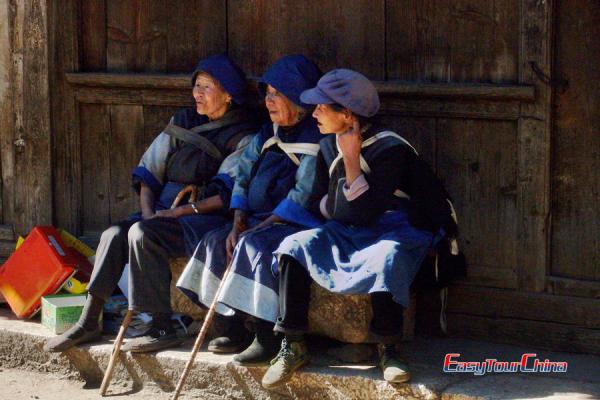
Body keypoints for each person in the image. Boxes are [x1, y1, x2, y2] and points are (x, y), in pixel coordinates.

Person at [44, 54, 259, 353]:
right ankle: (89, 319)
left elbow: (225, 195)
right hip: (161, 212)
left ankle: (161, 326)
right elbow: (150, 171)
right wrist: (149, 212)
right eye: (196, 85)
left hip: (200, 217)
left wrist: (177, 213)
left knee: (142, 235)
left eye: (207, 88)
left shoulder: (243, 135)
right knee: (113, 235)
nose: (197, 93)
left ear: (228, 95)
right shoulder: (183, 121)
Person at [260, 69, 458, 388]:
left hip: (393, 228)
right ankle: (292, 344)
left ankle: (389, 349)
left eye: (322, 108)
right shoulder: (326, 146)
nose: (314, 114)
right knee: (293, 247)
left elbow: (367, 212)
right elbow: (319, 201)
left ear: (347, 113)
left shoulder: (390, 149)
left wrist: (351, 160)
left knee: (386, 258)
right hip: (347, 227)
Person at [177, 55, 322, 365]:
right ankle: (229, 326)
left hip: (292, 222)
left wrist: (256, 229)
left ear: (297, 98)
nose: (268, 101)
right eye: (266, 93)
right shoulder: (267, 133)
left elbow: (302, 194)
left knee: (254, 247)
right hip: (256, 219)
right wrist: (238, 219)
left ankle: (266, 335)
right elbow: (242, 174)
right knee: (215, 241)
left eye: (276, 94)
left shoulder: (316, 138)